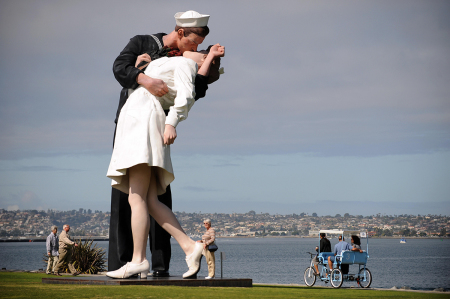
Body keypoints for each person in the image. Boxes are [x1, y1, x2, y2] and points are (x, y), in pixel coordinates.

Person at [106, 40, 224, 279]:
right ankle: (190, 247)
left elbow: (189, 94)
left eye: (201, 55)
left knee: (136, 196)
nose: (195, 51)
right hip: (143, 119)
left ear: (201, 61)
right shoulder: (176, 62)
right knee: (149, 199)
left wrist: (171, 123)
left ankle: (138, 260)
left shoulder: (184, 64)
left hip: (143, 121)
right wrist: (143, 66)